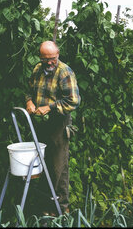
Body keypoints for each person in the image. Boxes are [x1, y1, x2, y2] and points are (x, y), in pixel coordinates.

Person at [25, 40, 81, 215]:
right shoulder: (37, 69)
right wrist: (29, 102)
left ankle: (52, 208)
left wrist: (49, 107)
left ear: (58, 55)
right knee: (48, 164)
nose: (49, 62)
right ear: (40, 58)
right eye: (45, 59)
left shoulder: (65, 72)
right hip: (40, 124)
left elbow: (73, 101)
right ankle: (60, 206)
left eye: (53, 59)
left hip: (59, 123)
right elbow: (28, 90)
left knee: (57, 166)